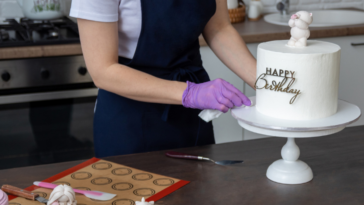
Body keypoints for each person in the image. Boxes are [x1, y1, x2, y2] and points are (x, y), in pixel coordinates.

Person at [70, 0, 257, 158]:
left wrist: (267, 83)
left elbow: (218, 28)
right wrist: (190, 93)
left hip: (191, 116)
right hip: (129, 120)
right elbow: (102, 70)